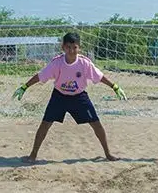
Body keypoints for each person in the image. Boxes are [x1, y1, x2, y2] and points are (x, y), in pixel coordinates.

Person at [12, 32, 127, 163]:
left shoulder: (84, 63)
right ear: (63, 47)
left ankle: (108, 154)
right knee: (45, 124)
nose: (71, 51)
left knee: (96, 124)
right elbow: (40, 76)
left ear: (79, 48)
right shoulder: (57, 63)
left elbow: (99, 77)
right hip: (59, 97)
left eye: (74, 47)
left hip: (79, 97)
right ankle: (32, 155)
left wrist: (115, 87)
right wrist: (24, 87)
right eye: (68, 47)